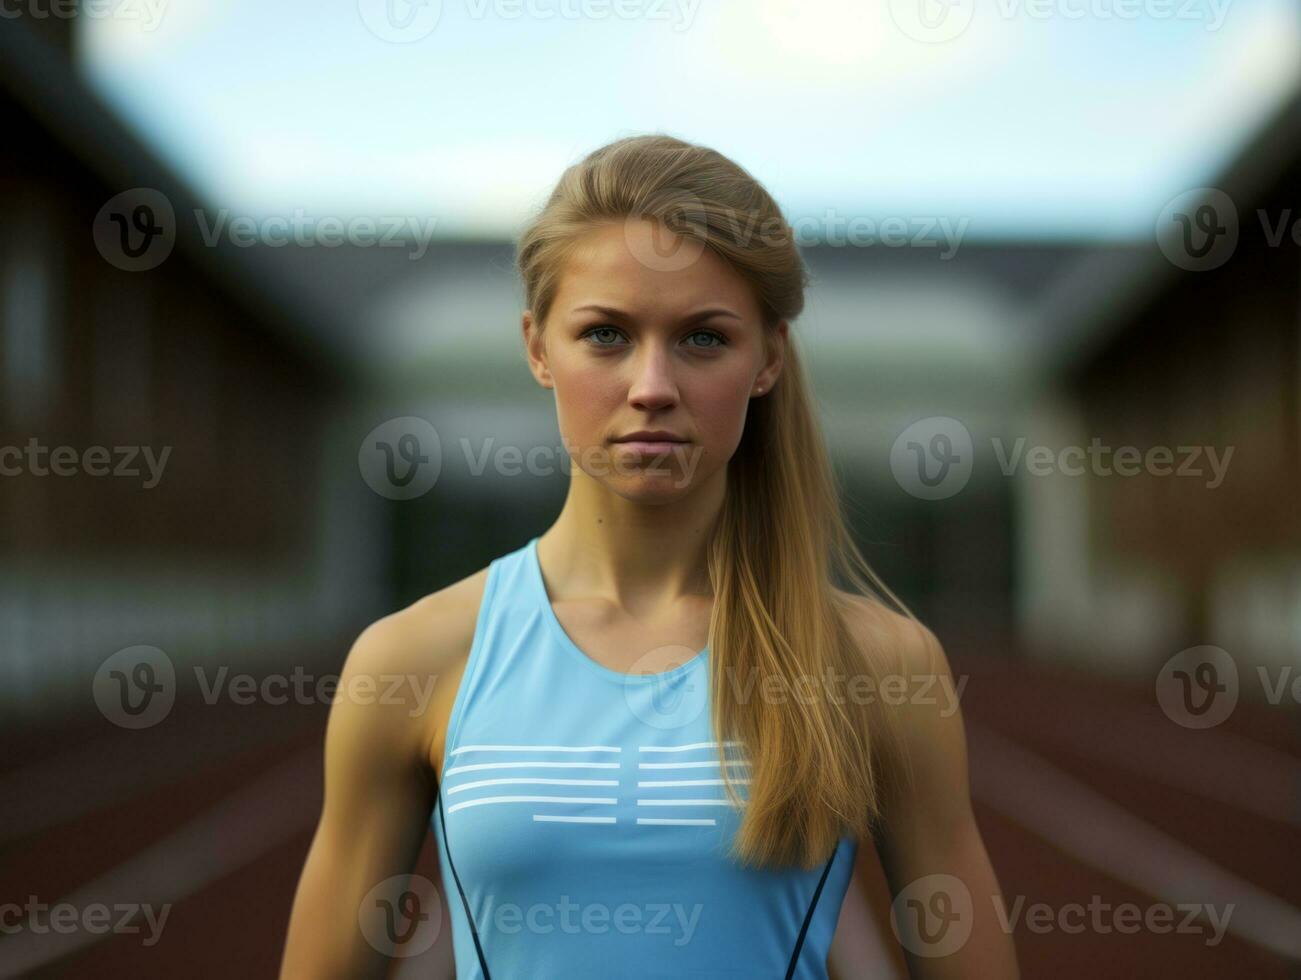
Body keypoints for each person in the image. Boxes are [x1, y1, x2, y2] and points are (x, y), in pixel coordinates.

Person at [279, 133, 1019, 979]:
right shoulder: (411, 659)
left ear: (768, 358)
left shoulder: (880, 666)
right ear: (536, 348)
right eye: (604, 335)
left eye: (703, 339)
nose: (652, 385)